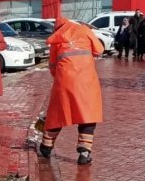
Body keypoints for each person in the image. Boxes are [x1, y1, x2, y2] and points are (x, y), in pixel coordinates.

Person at [40, 17, 104, 165]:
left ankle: (46, 147)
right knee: (87, 115)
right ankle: (84, 152)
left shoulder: (57, 39)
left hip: (64, 80)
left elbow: (52, 65)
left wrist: (61, 78)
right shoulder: (84, 30)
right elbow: (99, 50)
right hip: (86, 81)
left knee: (58, 113)